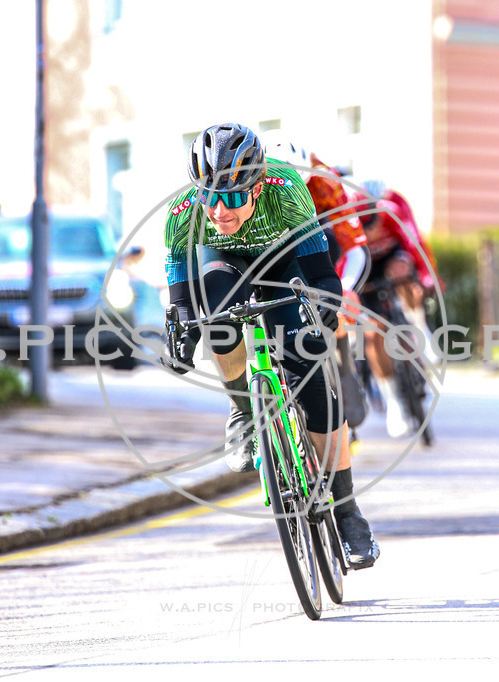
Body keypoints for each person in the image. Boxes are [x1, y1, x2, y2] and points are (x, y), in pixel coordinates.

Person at [162, 123, 379, 568]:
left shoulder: (287, 188)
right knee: (218, 320)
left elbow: (322, 275)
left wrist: (323, 308)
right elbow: (181, 301)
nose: (219, 210)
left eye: (233, 198)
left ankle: (347, 511)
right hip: (223, 262)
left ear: (257, 188)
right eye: (209, 196)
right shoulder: (183, 211)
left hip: (284, 260)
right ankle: (243, 407)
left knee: (312, 383)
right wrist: (182, 334)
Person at [262, 134, 370, 437]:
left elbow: (355, 249)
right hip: (273, 249)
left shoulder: (326, 183)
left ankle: (343, 368)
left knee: (327, 244)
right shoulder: (249, 185)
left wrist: (342, 290)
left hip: (322, 249)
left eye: (301, 185)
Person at [354, 181, 441, 437]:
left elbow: (416, 245)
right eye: (368, 230)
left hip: (391, 258)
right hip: (365, 268)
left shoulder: (392, 212)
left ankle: (420, 330)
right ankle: (393, 402)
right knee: (373, 333)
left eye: (376, 225)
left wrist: (426, 278)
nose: (373, 233)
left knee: (404, 274)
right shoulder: (348, 227)